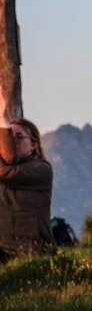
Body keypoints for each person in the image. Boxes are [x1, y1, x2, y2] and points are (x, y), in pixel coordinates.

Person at [0, 105, 54, 260]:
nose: (12, 142)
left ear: (34, 144)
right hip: (4, 250)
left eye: (18, 137)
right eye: (8, 138)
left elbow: (5, 172)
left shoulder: (42, 170)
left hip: (34, 250)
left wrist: (2, 121)